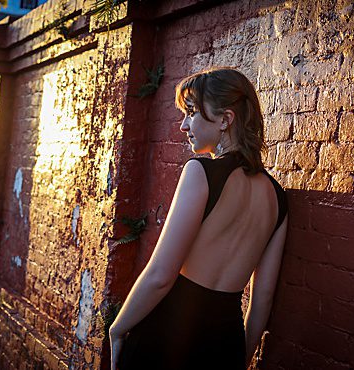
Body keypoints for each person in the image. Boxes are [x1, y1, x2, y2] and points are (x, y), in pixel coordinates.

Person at [108, 67, 288, 369]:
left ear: (224, 119)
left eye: (191, 113)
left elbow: (161, 275)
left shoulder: (200, 172)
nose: (183, 125)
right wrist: (239, 358)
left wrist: (117, 328)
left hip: (168, 337)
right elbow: (262, 300)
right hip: (226, 343)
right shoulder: (278, 197)